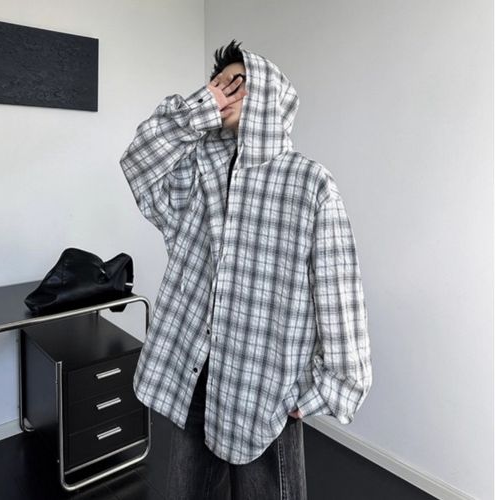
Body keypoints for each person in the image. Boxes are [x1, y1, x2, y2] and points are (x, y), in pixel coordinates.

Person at [119, 39, 373, 499]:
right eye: (217, 85)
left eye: (237, 83)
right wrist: (198, 109)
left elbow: (338, 288)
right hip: (194, 371)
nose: (223, 92)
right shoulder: (200, 173)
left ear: (269, 93)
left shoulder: (308, 182)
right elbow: (140, 161)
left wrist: (332, 384)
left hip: (263, 387)